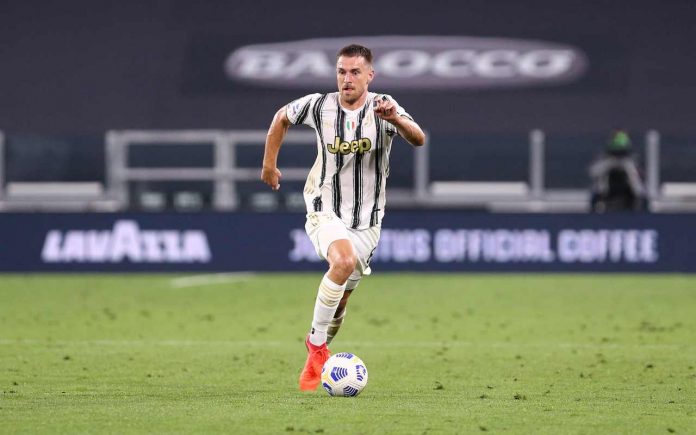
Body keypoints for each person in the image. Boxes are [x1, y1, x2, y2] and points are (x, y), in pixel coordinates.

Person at [261, 44, 425, 391]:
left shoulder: (385, 106)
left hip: (368, 220)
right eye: (341, 72)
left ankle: (318, 346)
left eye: (354, 72)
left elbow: (419, 138)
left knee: (340, 301)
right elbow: (281, 118)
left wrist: (395, 119)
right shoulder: (318, 105)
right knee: (343, 262)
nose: (346, 79)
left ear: (370, 75)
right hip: (324, 206)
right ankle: (317, 347)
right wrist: (269, 165)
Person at [589, 130, 647, 212]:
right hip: (606, 197)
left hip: (628, 198)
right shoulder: (606, 164)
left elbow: (638, 186)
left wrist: (640, 196)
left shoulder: (629, 164)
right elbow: (594, 172)